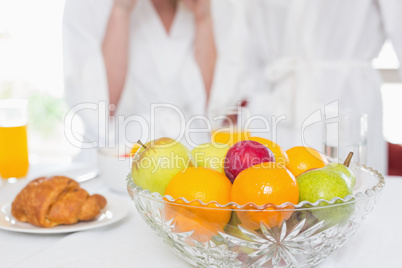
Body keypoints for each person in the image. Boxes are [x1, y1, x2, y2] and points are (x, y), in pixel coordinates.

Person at [242, 0, 402, 173]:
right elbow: (239, 38)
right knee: (266, 189)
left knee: (354, 188)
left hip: (345, 99)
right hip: (273, 102)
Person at [63, 0, 243, 151]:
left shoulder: (222, 6)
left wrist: (204, 18)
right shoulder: (86, 5)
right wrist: (120, 11)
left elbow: (217, 115)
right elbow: (97, 114)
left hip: (194, 166)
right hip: (115, 158)